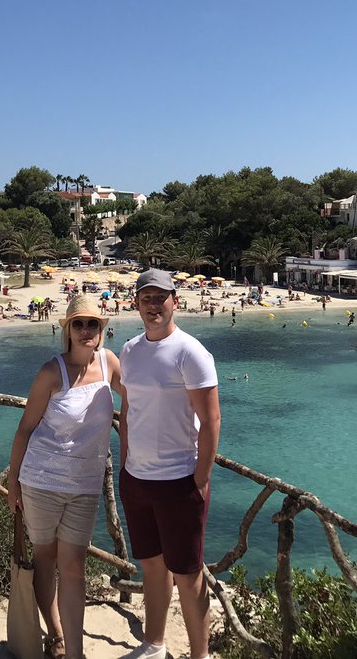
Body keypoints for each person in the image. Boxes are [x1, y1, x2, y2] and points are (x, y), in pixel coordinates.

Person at [7, 295, 123, 659]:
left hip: (85, 486)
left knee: (74, 567)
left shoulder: (109, 363)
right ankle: (56, 636)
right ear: (68, 330)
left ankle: (75, 651)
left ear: (102, 329)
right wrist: (12, 483)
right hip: (41, 482)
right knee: (46, 559)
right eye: (79, 324)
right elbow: (25, 428)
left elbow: (141, 397)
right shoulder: (51, 372)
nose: (86, 330)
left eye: (93, 324)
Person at [119, 269, 221, 659]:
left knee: (188, 575)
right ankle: (154, 645)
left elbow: (211, 420)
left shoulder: (190, 352)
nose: (153, 305)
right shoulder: (130, 350)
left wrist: (201, 477)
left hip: (179, 481)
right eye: (146, 298)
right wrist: (126, 465)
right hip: (137, 480)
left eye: (160, 298)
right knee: (151, 567)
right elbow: (128, 411)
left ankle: (200, 655)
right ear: (136, 304)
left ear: (175, 301)